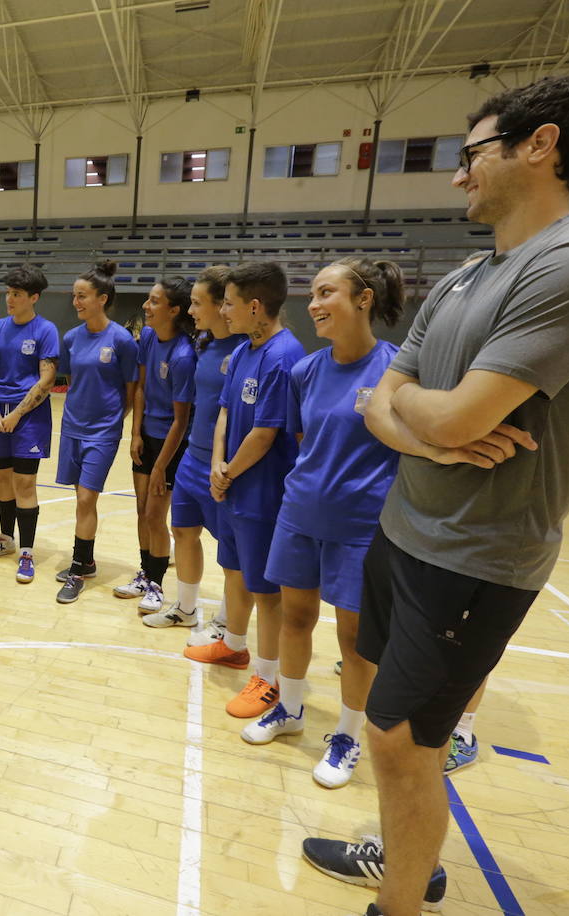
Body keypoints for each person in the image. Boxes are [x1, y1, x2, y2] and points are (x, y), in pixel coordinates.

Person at [301, 75, 569, 916]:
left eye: (470, 156)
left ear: (540, 144)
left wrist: (422, 417)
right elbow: (382, 403)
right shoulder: (460, 280)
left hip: (476, 557)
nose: (458, 177)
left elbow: (446, 411)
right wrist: (428, 429)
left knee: (402, 740)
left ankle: (400, 904)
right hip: (404, 530)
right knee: (390, 726)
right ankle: (405, 858)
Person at [240, 257, 405, 793]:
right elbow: (303, 443)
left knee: (356, 640)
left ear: (364, 299)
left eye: (326, 293)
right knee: (295, 616)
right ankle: (288, 708)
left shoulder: (396, 368)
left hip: (362, 526)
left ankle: (348, 735)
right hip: (300, 514)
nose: (314, 304)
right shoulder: (305, 371)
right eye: (311, 294)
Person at [190, 262, 306, 721]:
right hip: (234, 484)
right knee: (234, 571)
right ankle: (234, 647)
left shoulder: (284, 355)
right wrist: (218, 465)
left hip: (261, 492)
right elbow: (223, 413)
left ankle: (269, 677)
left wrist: (228, 472)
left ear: (255, 307)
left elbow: (266, 432)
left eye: (230, 303)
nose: (223, 310)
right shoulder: (242, 351)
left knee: (267, 591)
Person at [162, 266, 249, 635]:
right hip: (192, 458)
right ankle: (185, 608)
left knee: (232, 551)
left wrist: (229, 465)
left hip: (224, 466)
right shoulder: (205, 345)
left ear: (221, 305)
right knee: (182, 531)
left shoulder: (246, 349)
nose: (191, 311)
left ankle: (228, 621)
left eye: (198, 303)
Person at [54, 261, 139, 604]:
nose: (76, 301)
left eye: (83, 296)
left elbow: (132, 390)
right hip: (72, 427)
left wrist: (116, 421)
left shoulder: (121, 339)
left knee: (88, 498)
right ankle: (87, 561)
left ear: (102, 298)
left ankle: (77, 568)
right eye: (74, 296)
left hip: (103, 433)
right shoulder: (72, 338)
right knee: (81, 499)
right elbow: (72, 382)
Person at [119, 277, 197, 618]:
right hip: (146, 436)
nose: (145, 307)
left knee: (154, 515)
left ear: (174, 310)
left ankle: (157, 585)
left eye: (153, 301)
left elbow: (181, 421)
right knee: (142, 512)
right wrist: (134, 434)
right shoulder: (149, 336)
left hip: (170, 444)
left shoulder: (183, 356)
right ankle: (145, 573)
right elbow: (140, 388)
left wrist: (162, 465)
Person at [0, 265, 59, 584]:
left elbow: (47, 378)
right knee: (3, 480)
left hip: (29, 417)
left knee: (25, 484)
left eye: (17, 294)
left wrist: (17, 414)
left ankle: (26, 552)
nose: (9, 299)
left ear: (34, 298)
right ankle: (5, 538)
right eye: (8, 293)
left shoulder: (45, 330)